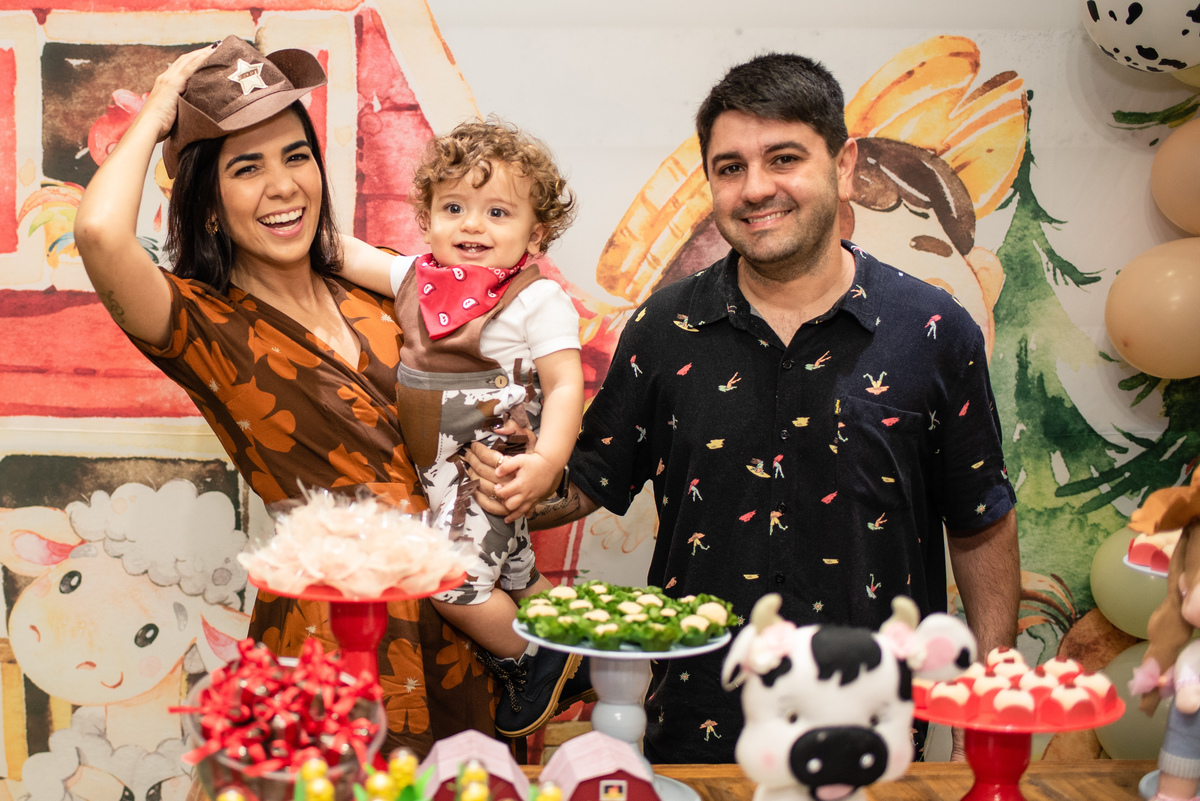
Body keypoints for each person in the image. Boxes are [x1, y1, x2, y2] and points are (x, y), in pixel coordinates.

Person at [471, 52, 1020, 764]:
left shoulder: (933, 329)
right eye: (730, 167)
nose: (755, 188)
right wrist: (493, 470)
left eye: (783, 158)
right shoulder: (664, 329)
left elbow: (979, 518)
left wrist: (998, 696)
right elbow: (585, 481)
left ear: (844, 163)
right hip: (696, 727)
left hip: (870, 729)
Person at [72, 35, 495, 757]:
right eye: (247, 167)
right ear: (206, 202)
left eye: (296, 156)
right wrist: (158, 110)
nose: (283, 185)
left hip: (461, 626)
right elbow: (99, 231)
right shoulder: (201, 323)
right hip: (331, 642)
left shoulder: (367, 289)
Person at [338, 119, 586, 737]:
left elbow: (564, 387)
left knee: (446, 581)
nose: (472, 225)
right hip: (438, 473)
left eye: (497, 211)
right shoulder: (414, 279)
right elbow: (345, 254)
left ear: (539, 230)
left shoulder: (536, 301)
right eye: (454, 207)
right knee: (516, 571)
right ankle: (576, 656)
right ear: (426, 218)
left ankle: (534, 660)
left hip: (490, 471)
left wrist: (548, 462)